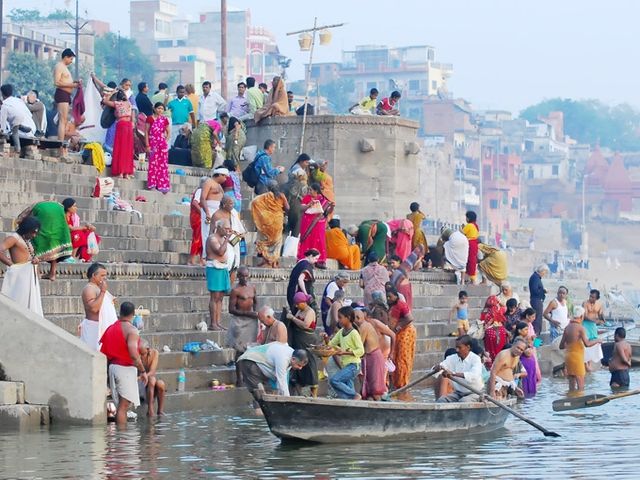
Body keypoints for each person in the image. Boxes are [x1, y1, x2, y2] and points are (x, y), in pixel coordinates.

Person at [99, 302, 148, 425]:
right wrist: (142, 371)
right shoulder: (132, 330)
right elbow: (133, 354)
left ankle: (121, 438)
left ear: (120, 312)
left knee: (121, 405)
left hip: (112, 368)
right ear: (133, 314)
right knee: (123, 406)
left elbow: (103, 353)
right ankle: (123, 438)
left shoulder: (110, 329)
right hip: (124, 369)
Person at [238, 343, 308, 411]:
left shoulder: (291, 356)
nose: (300, 368)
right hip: (250, 361)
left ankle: (266, 411)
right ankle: (259, 414)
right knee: (260, 394)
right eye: (299, 365)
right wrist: (288, 403)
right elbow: (282, 381)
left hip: (261, 365)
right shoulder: (283, 358)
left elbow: (281, 383)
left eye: (302, 366)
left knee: (269, 393)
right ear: (293, 359)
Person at [19, 201, 72, 281]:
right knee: (55, 249)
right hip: (57, 230)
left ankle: (38, 274)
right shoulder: (58, 206)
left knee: (36, 246)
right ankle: (52, 274)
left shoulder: (34, 208)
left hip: (45, 228)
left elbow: (24, 220)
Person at [0, 216, 43, 316]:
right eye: (33, 232)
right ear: (26, 228)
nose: (34, 235)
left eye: (36, 232)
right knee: (21, 306)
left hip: (30, 277)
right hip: (21, 277)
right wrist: (12, 265)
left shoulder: (27, 240)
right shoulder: (13, 238)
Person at [227, 266, 258, 386]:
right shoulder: (235, 291)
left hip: (251, 322)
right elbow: (231, 309)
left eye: (246, 276)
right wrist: (247, 313)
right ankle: (239, 378)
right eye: (242, 276)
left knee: (250, 349)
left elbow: (255, 301)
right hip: (239, 321)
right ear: (238, 277)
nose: (245, 278)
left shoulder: (252, 287)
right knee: (239, 351)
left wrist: (256, 313)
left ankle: (248, 375)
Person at [324, 306, 365, 400]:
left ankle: (355, 395)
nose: (338, 320)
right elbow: (331, 344)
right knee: (345, 389)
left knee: (334, 380)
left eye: (340, 317)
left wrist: (345, 353)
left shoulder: (354, 333)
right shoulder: (341, 331)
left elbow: (361, 351)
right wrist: (326, 338)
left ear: (348, 318)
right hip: (346, 366)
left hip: (354, 366)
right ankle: (351, 402)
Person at [285, 292, 320, 397]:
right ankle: (299, 390)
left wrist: (293, 318)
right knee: (298, 363)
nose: (296, 306)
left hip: (308, 341)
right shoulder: (300, 310)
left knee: (310, 364)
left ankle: (314, 394)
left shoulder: (310, 311)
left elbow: (305, 325)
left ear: (303, 302)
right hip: (298, 340)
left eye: (297, 304)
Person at [560, 306, 602, 392]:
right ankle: (579, 400)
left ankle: (571, 399)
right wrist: (597, 340)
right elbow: (587, 344)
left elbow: (561, 346)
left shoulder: (567, 328)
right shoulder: (580, 328)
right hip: (577, 358)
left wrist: (570, 344)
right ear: (582, 316)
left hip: (568, 357)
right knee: (581, 385)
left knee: (571, 384)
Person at [434, 335, 485, 402]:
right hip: (458, 393)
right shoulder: (453, 358)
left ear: (468, 347)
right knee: (441, 400)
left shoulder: (475, 359)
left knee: (464, 401)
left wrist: (453, 374)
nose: (457, 350)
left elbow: (474, 375)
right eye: (456, 347)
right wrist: (437, 368)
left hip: (475, 393)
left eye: (459, 348)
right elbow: (442, 366)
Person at [79, 262, 117, 351]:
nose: (105, 278)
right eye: (102, 275)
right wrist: (103, 292)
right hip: (93, 328)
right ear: (93, 275)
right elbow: (94, 309)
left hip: (102, 327)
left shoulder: (98, 287)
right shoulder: (89, 288)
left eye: (105, 275)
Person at [251, 181, 289, 268]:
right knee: (277, 242)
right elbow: (287, 208)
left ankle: (266, 260)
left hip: (266, 222)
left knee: (263, 241)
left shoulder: (264, 196)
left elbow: (254, 202)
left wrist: (262, 214)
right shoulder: (281, 195)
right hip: (277, 221)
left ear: (268, 188)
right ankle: (274, 262)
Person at [352, 308, 386, 400]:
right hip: (370, 357)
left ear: (358, 318)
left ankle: (379, 409)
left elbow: (359, 345)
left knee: (375, 389)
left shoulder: (364, 326)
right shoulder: (364, 325)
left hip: (374, 358)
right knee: (369, 388)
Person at [297, 183, 333, 269]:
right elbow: (301, 209)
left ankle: (319, 261)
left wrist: (332, 207)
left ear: (316, 191)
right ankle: (304, 260)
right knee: (307, 240)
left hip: (319, 223)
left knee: (319, 241)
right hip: (307, 223)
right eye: (309, 190)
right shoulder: (307, 198)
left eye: (311, 190)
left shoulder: (323, 200)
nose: (309, 191)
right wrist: (309, 205)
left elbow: (327, 212)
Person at [212, 195, 246, 283]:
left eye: (233, 203)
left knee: (235, 265)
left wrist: (238, 236)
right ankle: (223, 287)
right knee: (226, 265)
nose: (233, 205)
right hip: (223, 243)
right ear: (224, 204)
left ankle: (229, 288)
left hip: (235, 241)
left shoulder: (234, 213)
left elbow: (239, 229)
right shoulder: (216, 215)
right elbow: (213, 231)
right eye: (230, 203)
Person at [205, 219, 232, 331]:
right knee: (215, 296)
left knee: (220, 297)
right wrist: (227, 240)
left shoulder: (221, 238)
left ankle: (218, 322)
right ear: (219, 227)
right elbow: (220, 252)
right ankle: (213, 323)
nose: (227, 231)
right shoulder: (212, 238)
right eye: (226, 228)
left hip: (223, 268)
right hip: (214, 268)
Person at [387, 288, 416, 389]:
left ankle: (402, 384)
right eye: (387, 297)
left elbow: (410, 318)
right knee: (395, 358)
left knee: (403, 359)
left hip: (406, 334)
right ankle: (396, 384)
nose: (388, 299)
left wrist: (398, 327)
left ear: (396, 296)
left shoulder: (401, 304)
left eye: (390, 296)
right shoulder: (391, 305)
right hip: (397, 334)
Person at [102, 89, 134, 179]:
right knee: (127, 149)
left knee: (121, 148)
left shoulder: (117, 103)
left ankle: (121, 172)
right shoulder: (129, 103)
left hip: (122, 125)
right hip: (128, 125)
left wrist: (112, 93)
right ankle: (126, 173)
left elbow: (105, 101)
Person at [53, 49, 79, 155]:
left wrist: (74, 83)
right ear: (66, 57)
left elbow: (65, 81)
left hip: (66, 95)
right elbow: (57, 82)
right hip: (62, 94)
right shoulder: (59, 66)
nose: (71, 61)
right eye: (71, 59)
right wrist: (72, 85)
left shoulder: (65, 68)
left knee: (64, 120)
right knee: (62, 121)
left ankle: (62, 145)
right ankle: (61, 145)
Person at [0, 84, 37, 154]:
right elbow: (29, 115)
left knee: (14, 131)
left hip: (19, 131)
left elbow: (3, 123)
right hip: (32, 128)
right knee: (16, 125)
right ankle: (26, 129)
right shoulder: (19, 101)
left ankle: (17, 149)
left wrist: (2, 131)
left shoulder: (4, 105)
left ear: (2, 94)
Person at [61, 198, 99, 263]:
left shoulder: (73, 216)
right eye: (74, 206)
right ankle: (72, 256)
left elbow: (76, 227)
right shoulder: (64, 216)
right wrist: (83, 228)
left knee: (91, 235)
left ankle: (84, 257)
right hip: (65, 235)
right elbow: (71, 228)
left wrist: (89, 227)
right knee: (78, 234)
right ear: (68, 207)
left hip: (71, 234)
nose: (76, 208)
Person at [200, 168, 228, 257]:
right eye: (224, 176)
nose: (225, 179)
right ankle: (206, 255)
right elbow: (202, 198)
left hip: (218, 211)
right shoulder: (208, 182)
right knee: (207, 232)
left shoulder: (219, 186)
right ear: (219, 175)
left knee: (218, 232)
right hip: (209, 209)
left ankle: (217, 252)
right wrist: (207, 212)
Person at [144, 102, 171, 193]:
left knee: (162, 165)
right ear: (155, 109)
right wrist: (147, 145)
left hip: (162, 145)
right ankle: (152, 184)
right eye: (158, 108)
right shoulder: (150, 118)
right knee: (153, 164)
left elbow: (168, 132)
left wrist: (164, 141)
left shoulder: (164, 120)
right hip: (152, 144)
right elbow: (146, 132)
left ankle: (162, 185)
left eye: (162, 109)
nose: (160, 110)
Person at [285, 153, 311, 236]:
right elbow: (302, 186)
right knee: (296, 223)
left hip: (294, 197)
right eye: (306, 162)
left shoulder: (295, 168)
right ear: (301, 161)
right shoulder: (298, 171)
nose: (307, 165)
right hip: (295, 198)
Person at [138, 340, 166, 416]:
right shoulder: (136, 354)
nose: (141, 356)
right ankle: (150, 409)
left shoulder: (155, 353)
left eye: (143, 354)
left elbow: (152, 371)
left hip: (149, 381)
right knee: (152, 379)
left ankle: (160, 411)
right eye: (139, 354)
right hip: (139, 382)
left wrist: (144, 375)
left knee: (161, 384)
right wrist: (140, 377)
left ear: (148, 349)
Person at [583, 289, 605, 371]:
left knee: (593, 343)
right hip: (585, 324)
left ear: (597, 298)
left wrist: (603, 320)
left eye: (593, 297)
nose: (591, 298)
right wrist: (595, 320)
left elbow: (600, 315)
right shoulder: (585, 303)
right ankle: (585, 362)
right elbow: (584, 316)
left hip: (593, 326)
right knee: (586, 342)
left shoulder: (599, 305)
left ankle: (590, 362)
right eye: (590, 296)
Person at [188, 177, 209, 266]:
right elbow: (195, 203)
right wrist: (202, 213)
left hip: (201, 218)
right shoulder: (200, 191)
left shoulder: (203, 192)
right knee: (197, 238)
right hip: (197, 218)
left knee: (202, 238)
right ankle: (191, 259)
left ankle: (202, 259)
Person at [481, 295, 508, 361]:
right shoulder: (500, 310)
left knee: (491, 352)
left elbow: (483, 323)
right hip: (501, 332)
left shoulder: (484, 312)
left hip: (490, 333)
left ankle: (491, 363)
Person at [529, 263, 549, 336]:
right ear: (542, 271)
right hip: (536, 301)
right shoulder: (535, 277)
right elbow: (535, 290)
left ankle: (537, 344)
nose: (544, 274)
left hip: (537, 301)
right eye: (545, 272)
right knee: (537, 323)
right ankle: (536, 344)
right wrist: (543, 291)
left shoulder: (536, 277)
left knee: (538, 322)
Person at [461, 211, 480, 284]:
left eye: (466, 217)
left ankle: (472, 279)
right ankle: (471, 278)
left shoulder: (469, 225)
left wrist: (462, 228)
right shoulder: (476, 225)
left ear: (469, 218)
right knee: (472, 260)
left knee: (470, 260)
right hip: (475, 244)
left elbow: (462, 233)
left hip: (470, 244)